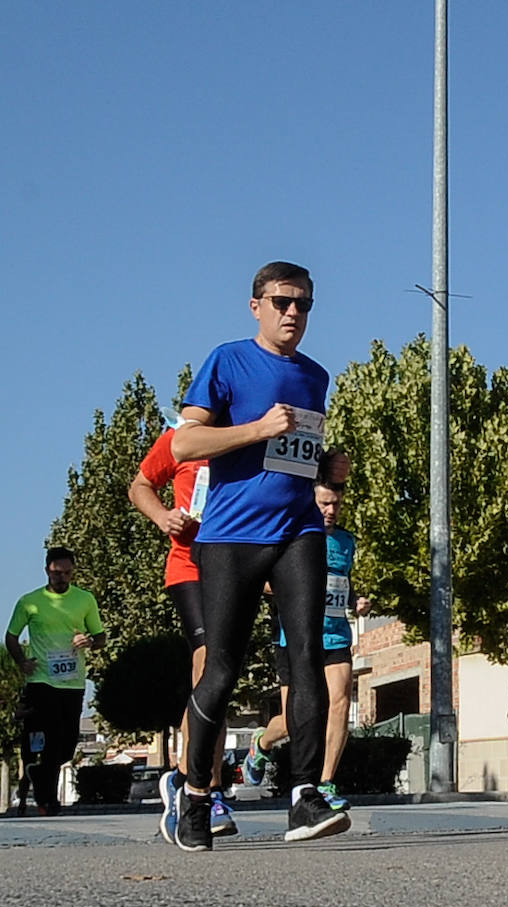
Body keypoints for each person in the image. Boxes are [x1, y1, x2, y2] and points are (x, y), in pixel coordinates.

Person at [169, 260, 349, 850]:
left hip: (298, 530)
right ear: (256, 306)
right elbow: (186, 442)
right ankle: (195, 798)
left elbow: (293, 455)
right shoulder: (227, 360)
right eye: (280, 302)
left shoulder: (316, 376)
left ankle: (303, 795)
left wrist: (326, 468)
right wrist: (253, 429)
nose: (292, 313)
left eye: (302, 304)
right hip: (230, 538)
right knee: (220, 671)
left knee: (308, 662)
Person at [244, 453, 370, 813]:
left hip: (335, 635)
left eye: (336, 505)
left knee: (339, 703)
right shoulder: (292, 538)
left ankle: (326, 783)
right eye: (324, 504)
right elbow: (264, 581)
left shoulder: (346, 542)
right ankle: (263, 743)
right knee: (296, 717)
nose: (331, 511)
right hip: (296, 636)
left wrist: (356, 601)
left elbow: (343, 582)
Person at [128, 420, 234, 842]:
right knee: (208, 661)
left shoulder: (247, 437)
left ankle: (188, 780)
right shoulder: (181, 438)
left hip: (230, 564)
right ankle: (200, 786)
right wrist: (162, 517)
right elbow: (140, 486)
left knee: (221, 680)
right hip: (188, 565)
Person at [4, 546, 106, 816]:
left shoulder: (84, 600)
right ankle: (47, 800)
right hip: (41, 680)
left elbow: (101, 637)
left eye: (67, 573)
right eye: (57, 573)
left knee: (67, 745)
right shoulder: (30, 602)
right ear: (47, 570)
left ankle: (39, 776)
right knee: (50, 738)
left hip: (72, 681)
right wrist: (22, 662)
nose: (62, 577)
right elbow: (11, 636)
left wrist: (89, 641)